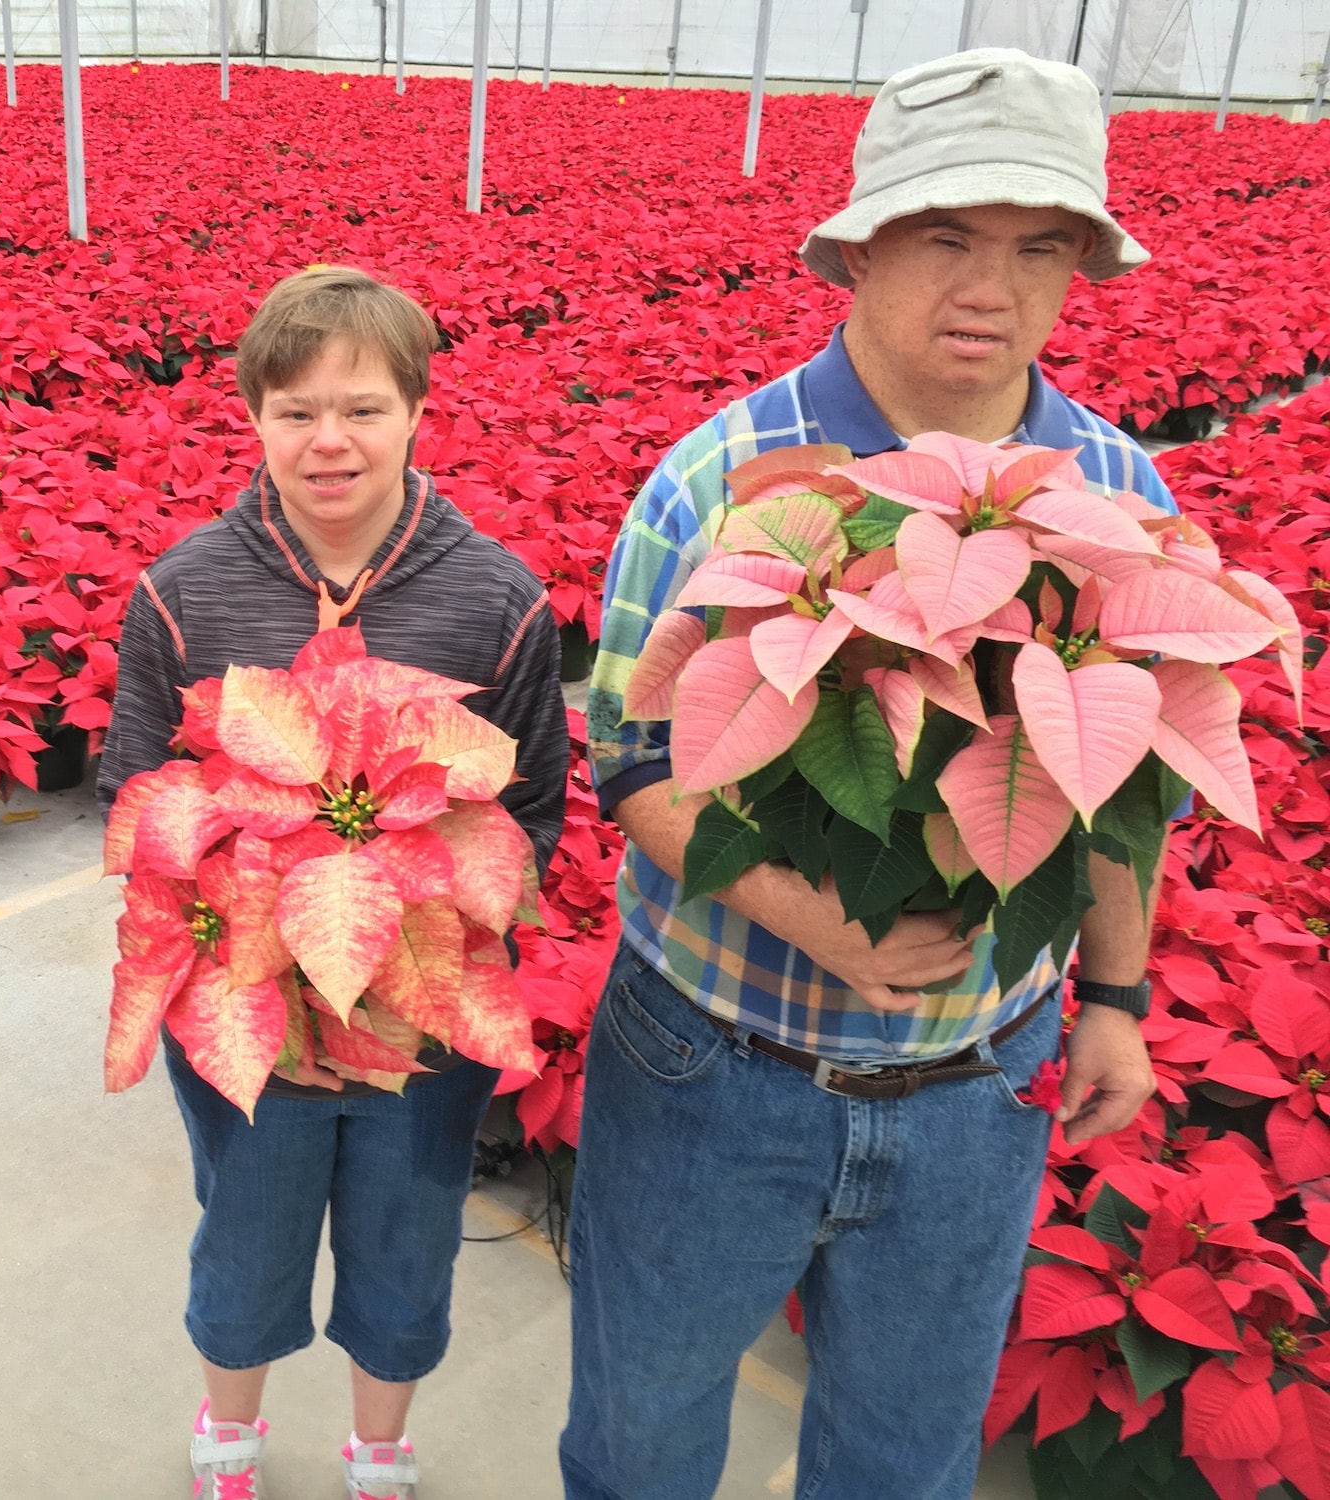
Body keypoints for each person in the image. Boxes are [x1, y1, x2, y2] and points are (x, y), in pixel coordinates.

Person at [564, 50, 1171, 1500]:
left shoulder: (1116, 491)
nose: (993, 287)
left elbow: (1118, 782)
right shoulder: (728, 476)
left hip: (982, 1088)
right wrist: (802, 911)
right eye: (947, 235)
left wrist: (1119, 1000)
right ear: (859, 249)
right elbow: (632, 757)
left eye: (1040, 249)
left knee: (904, 1460)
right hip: (717, 1064)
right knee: (640, 1438)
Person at [99, 266, 569, 1500]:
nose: (328, 440)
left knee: (406, 1247)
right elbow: (136, 793)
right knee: (245, 1238)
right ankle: (230, 1445)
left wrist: (414, 932)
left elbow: (526, 820)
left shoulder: (496, 597)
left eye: (360, 407)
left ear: (417, 409)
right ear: (250, 415)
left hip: (422, 1013)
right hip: (248, 1002)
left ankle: (378, 1454)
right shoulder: (185, 588)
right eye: (295, 409)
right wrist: (254, 930)